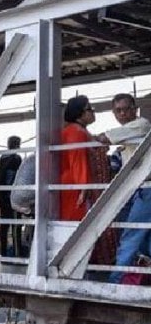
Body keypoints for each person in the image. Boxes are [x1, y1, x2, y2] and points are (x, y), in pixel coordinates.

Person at [95, 93, 151, 283]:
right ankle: (139, 275)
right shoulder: (130, 132)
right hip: (138, 188)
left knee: (130, 234)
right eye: (118, 110)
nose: (123, 113)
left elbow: (104, 138)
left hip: (147, 188)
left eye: (127, 109)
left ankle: (116, 281)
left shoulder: (141, 125)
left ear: (134, 109)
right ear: (113, 113)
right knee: (143, 236)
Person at [59, 95, 117, 265]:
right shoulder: (76, 132)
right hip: (78, 189)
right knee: (82, 228)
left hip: (81, 186)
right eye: (89, 109)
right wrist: (84, 187)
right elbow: (78, 160)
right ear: (79, 113)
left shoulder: (78, 131)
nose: (93, 112)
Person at [0, 136, 23, 258]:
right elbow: (19, 178)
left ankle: (3, 252)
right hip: (13, 196)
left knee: (4, 225)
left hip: (2, 196)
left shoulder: (3, 158)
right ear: (17, 145)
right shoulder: (17, 159)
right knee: (16, 226)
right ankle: (17, 253)